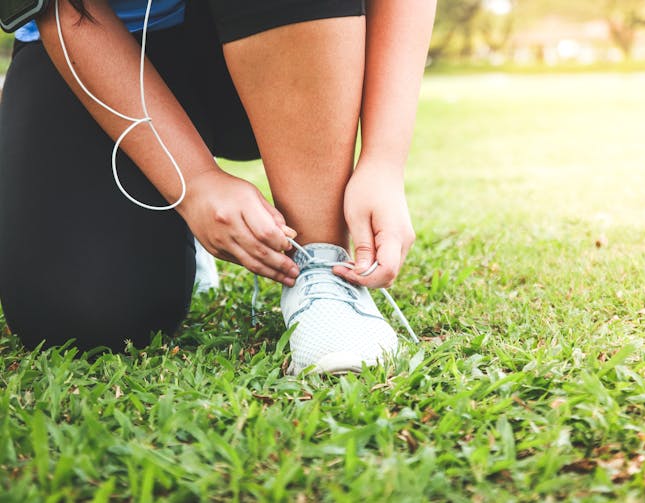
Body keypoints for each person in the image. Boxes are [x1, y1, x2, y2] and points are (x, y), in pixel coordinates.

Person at [0, 0, 435, 374]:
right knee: (81, 316)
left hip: (296, 32)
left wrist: (383, 159)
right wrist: (193, 183)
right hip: (107, 42)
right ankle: (170, 223)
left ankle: (321, 269)